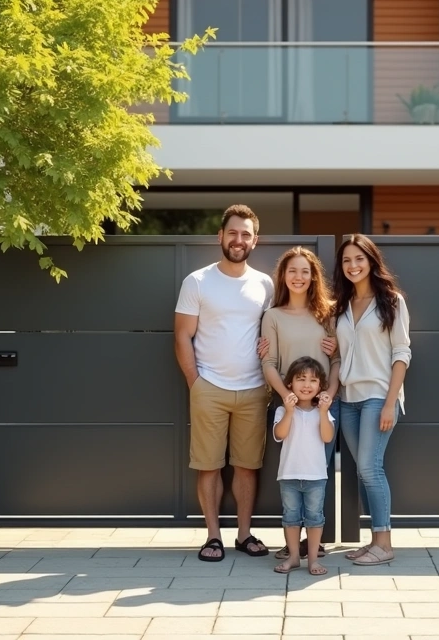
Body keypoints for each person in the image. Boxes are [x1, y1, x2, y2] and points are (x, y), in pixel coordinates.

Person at [174, 204, 274, 562]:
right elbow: (182, 336)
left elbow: (274, 330)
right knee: (209, 465)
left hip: (253, 389)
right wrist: (195, 382)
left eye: (246, 234)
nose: (238, 239)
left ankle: (244, 535)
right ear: (220, 236)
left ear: (255, 240)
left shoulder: (265, 284)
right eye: (232, 232)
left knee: (247, 465)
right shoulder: (197, 281)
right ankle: (213, 537)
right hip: (209, 388)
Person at [334, 234, 411, 566]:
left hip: (378, 396)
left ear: (371, 261)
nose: (353, 266)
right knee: (364, 471)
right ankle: (373, 540)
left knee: (370, 467)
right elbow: (342, 351)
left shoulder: (391, 302)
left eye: (359, 259)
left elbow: (402, 353)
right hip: (347, 398)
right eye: (347, 260)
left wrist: (391, 402)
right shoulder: (342, 305)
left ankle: (385, 543)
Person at [258, 247, 338, 561]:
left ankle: (313, 545)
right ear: (283, 275)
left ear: (313, 276)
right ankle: (294, 545)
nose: (299, 277)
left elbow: (338, 358)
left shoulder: (328, 313)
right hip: (291, 407)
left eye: (305, 271)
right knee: (293, 475)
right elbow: (269, 362)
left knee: (317, 475)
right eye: (293, 270)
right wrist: (285, 396)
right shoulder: (273, 316)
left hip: (322, 408)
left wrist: (328, 393)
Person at [271, 357, 336, 575]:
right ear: (290, 383)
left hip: (316, 476)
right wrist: (289, 411)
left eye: (313, 380)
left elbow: (328, 437)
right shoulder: (283, 411)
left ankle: (313, 560)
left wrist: (324, 411)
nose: (306, 385)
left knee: (315, 517)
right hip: (288, 475)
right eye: (300, 379)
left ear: (320, 387)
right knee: (290, 517)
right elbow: (279, 434)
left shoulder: (323, 412)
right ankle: (294, 557)